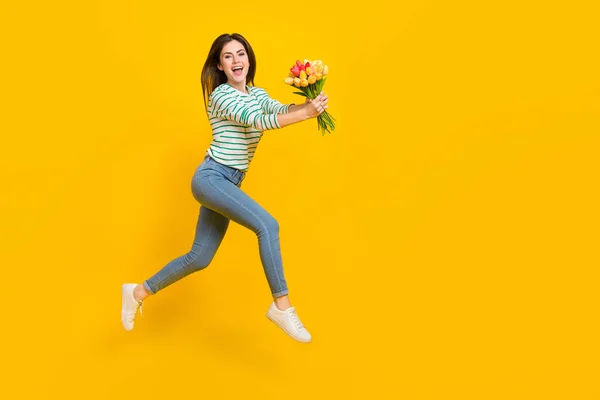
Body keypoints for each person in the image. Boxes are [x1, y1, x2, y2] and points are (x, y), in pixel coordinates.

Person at [121, 33, 329, 343]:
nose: (236, 61)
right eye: (228, 56)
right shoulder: (222, 96)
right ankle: (282, 307)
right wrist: (305, 114)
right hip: (212, 178)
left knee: (200, 256)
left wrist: (308, 102)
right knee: (268, 226)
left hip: (230, 181)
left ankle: (137, 291)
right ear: (219, 65)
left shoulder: (256, 92)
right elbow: (259, 121)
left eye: (240, 54)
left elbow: (275, 109)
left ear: (248, 60)